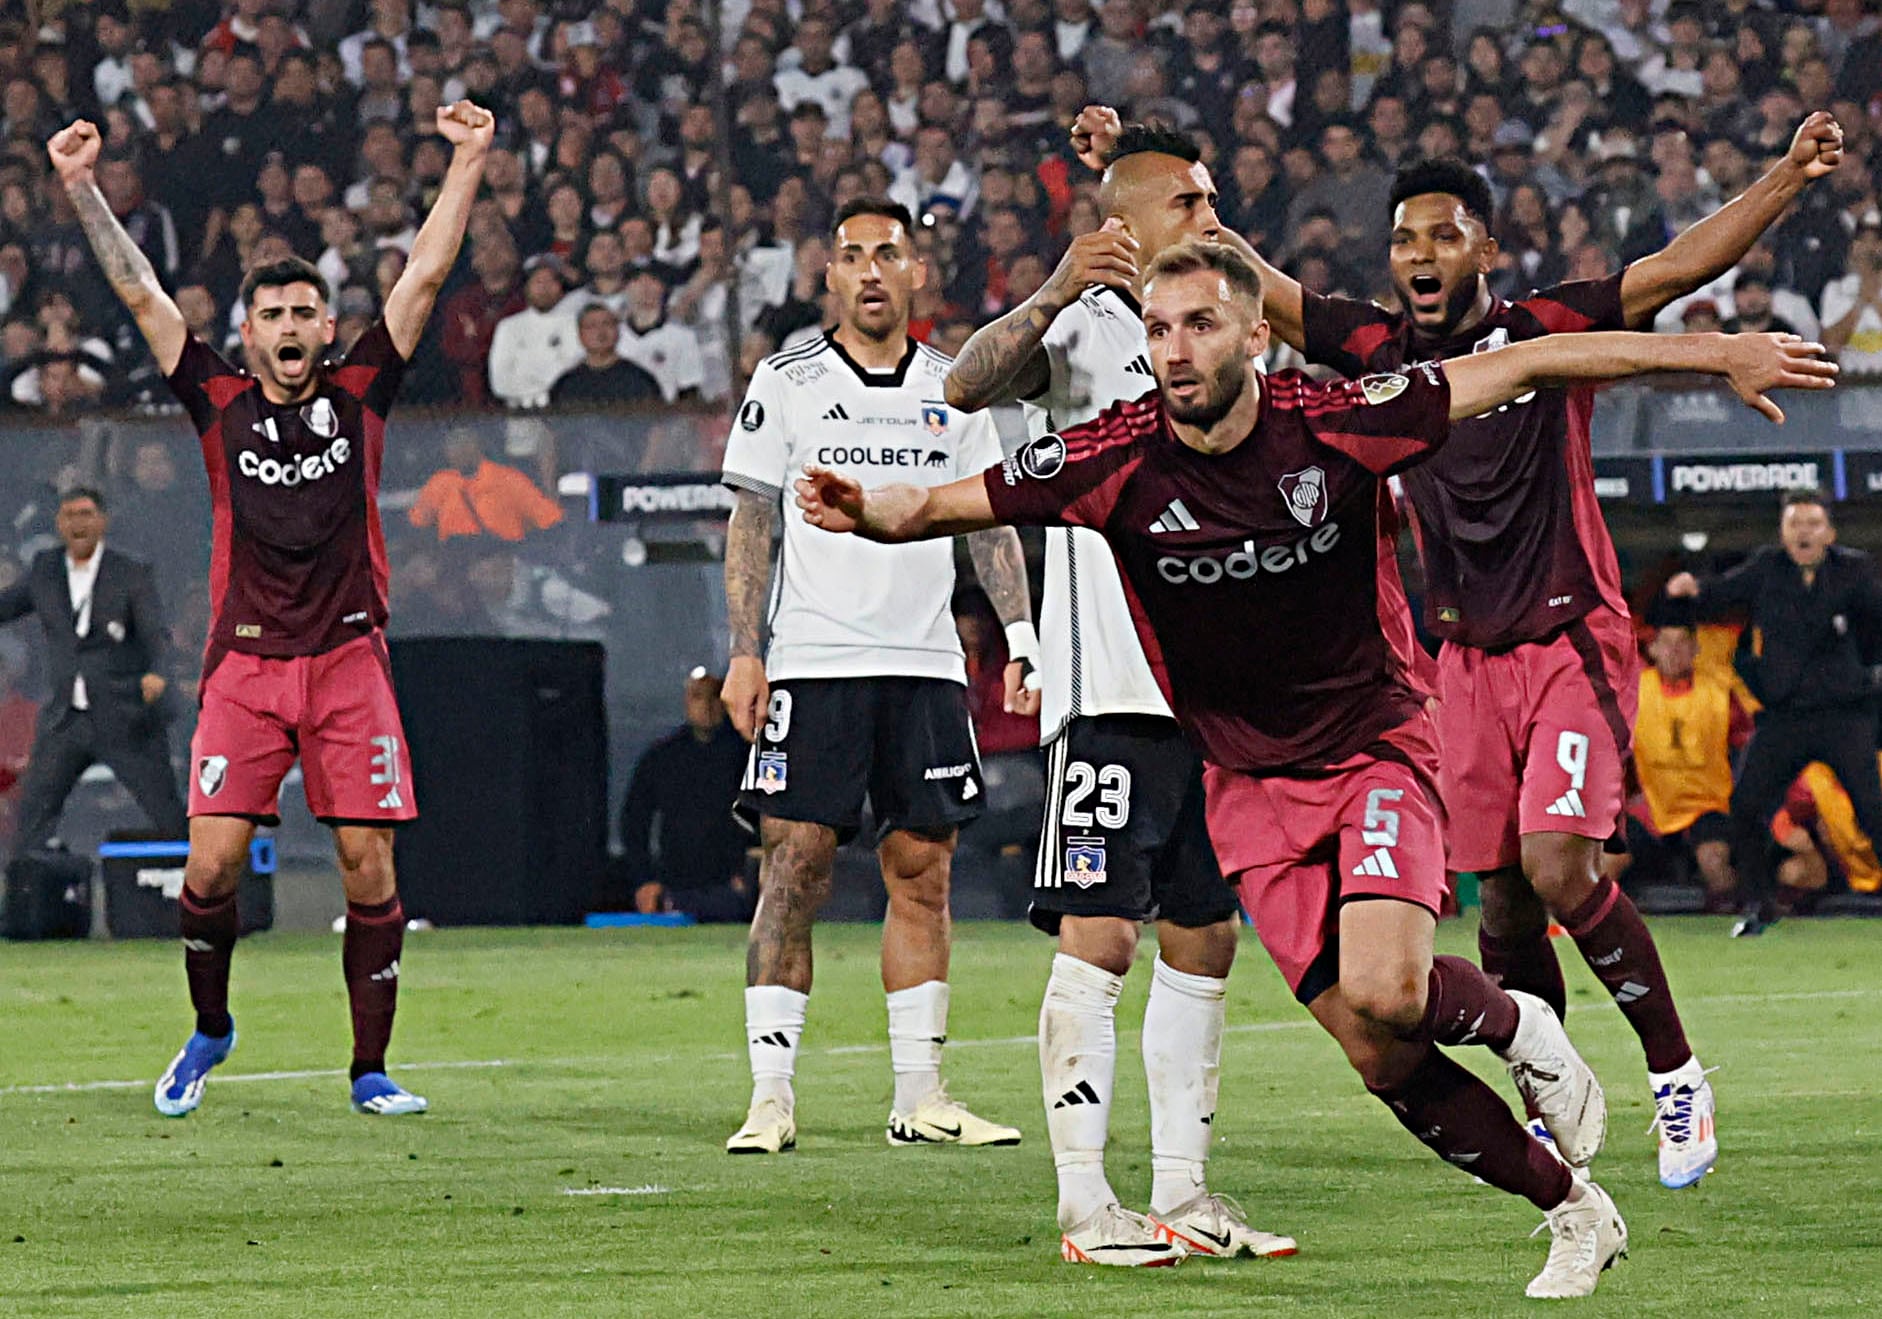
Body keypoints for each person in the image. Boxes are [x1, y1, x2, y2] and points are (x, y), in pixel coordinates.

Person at [793, 240, 1834, 1295]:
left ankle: (1520, 1020)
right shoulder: (1114, 454)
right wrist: (861, 507)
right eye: (1156, 329)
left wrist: (1720, 352)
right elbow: (933, 506)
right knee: (1378, 1052)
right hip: (1246, 786)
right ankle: (1573, 1208)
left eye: (1198, 324)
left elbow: (1528, 365)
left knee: (1389, 987)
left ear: (1254, 334)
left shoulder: (1338, 421)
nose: (1173, 349)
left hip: (1372, 745)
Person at [1233, 112, 1845, 1192]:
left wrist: (1788, 173)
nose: (1419, 255)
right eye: (1403, 240)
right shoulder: (1380, 352)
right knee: (1504, 900)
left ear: (1485, 247)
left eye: (1442, 234)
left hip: (1569, 638)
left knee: (1562, 864)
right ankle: (1551, 1094)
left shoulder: (1541, 329)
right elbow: (1262, 290)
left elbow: (1673, 268)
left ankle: (1675, 1069)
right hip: (1459, 663)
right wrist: (1170, 201)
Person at [47, 100, 495, 1118]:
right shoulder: (215, 399)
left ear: (326, 328)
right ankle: (211, 1027)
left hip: (346, 659)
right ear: (247, 336)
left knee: (366, 860)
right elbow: (140, 290)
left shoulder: (362, 392)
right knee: (208, 860)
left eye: (305, 314)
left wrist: (467, 157)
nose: (291, 330)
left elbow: (423, 272)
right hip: (245, 665)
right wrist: (80, 187)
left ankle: (369, 1067)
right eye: (273, 317)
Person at [945, 121, 1293, 1265]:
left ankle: (1185, 1191)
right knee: (1101, 935)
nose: (1210, 211)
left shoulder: (1237, 331)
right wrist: (1053, 284)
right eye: (1188, 201)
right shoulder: (1087, 324)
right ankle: (1086, 1202)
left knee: (1204, 936)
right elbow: (964, 383)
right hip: (1112, 694)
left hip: (1220, 701)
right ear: (1126, 226)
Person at [718, 197, 1034, 1158]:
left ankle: (921, 1093)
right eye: (849, 255)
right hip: (815, 660)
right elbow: (752, 520)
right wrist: (746, 648)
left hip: (926, 663)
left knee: (923, 873)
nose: (867, 270)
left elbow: (989, 518)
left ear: (916, 273)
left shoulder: (956, 388)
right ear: (829, 279)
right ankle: (771, 1096)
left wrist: (1021, 634)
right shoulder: (789, 380)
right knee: (797, 863)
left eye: (885, 254)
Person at [1667, 490, 1882, 937]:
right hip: (1785, 717)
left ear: (1830, 533)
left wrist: (1862, 671)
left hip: (1845, 715)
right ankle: (1759, 906)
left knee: (1872, 810)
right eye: (1794, 524)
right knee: (1744, 808)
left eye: (1812, 523)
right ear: (1783, 532)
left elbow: (1875, 628)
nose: (1803, 532)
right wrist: (1693, 589)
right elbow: (1723, 593)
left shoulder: (1855, 571)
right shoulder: (1767, 568)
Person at [0, 487, 186, 857]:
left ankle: (206, 902)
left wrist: (158, 674)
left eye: (85, 514)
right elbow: (6, 606)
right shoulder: (45, 570)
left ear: (102, 521)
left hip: (125, 716)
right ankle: (24, 906)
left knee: (168, 813)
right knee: (33, 818)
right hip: (66, 721)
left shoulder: (130, 572)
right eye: (69, 516)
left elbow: (156, 636)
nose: (77, 523)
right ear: (58, 523)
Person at [1614, 616, 1748, 908]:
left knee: (1714, 863)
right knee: (1604, 865)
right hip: (1652, 808)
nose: (1674, 652)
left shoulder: (1719, 694)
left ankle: (1733, 926)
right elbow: (1612, 750)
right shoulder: (1633, 692)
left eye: (1682, 644)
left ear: (1696, 650)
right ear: (1652, 650)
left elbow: (1753, 750)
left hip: (1707, 807)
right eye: (1667, 644)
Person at [617, 667, 754, 923]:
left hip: (731, 887)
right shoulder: (662, 757)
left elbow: (764, 816)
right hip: (674, 885)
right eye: (698, 697)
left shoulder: (745, 757)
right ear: (687, 701)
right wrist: (644, 880)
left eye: (714, 697)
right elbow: (634, 822)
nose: (707, 706)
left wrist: (750, 871)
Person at [407, 427, 564, 543]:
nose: (459, 450)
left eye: (464, 443)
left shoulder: (509, 479)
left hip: (498, 559)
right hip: (455, 563)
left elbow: (549, 518)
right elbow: (418, 523)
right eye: (452, 444)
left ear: (478, 445)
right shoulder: (439, 482)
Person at [549, 303, 662, 407]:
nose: (600, 332)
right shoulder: (565, 385)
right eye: (591, 326)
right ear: (580, 336)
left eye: (607, 324)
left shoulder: (640, 379)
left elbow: (655, 425)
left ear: (617, 331)